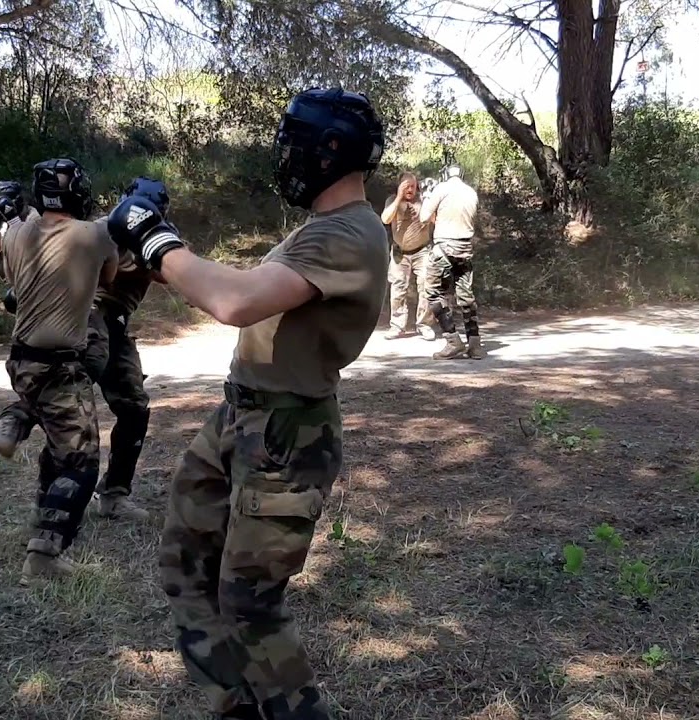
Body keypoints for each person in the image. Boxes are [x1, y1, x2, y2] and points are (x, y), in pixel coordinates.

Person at [105, 87, 388, 720]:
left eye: (293, 145)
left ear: (329, 151)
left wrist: (156, 239)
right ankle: (237, 704)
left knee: (251, 602)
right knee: (184, 563)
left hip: (288, 431)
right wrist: (159, 248)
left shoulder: (350, 234)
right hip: (241, 414)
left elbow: (234, 303)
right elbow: (235, 287)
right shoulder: (322, 230)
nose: (284, 157)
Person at [0, 178, 162, 523]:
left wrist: (156, 243)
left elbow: (165, 272)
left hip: (115, 328)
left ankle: (112, 495)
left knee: (132, 408)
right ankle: (19, 425)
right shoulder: (105, 230)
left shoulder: (147, 235)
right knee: (66, 400)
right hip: (88, 320)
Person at [0, 158, 118, 583]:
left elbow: (10, 276)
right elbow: (110, 277)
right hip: (61, 365)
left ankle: (13, 422)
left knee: (59, 447)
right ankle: (44, 554)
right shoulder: (95, 234)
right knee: (80, 463)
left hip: (21, 360)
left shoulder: (17, 233)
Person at [420, 163, 484, 360]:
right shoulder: (471, 192)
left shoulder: (442, 189)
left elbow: (424, 217)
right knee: (466, 296)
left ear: (445, 175)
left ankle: (452, 340)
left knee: (433, 293)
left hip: (444, 249)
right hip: (465, 249)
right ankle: (475, 344)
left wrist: (427, 198)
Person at [380, 172, 434, 340]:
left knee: (426, 285)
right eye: (406, 186)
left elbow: (434, 219)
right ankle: (397, 326)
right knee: (398, 288)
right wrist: (399, 197)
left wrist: (429, 200)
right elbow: (385, 219)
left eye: (413, 186)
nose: (410, 190)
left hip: (422, 250)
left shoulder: (423, 200)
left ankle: (424, 324)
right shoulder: (392, 201)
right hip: (399, 252)